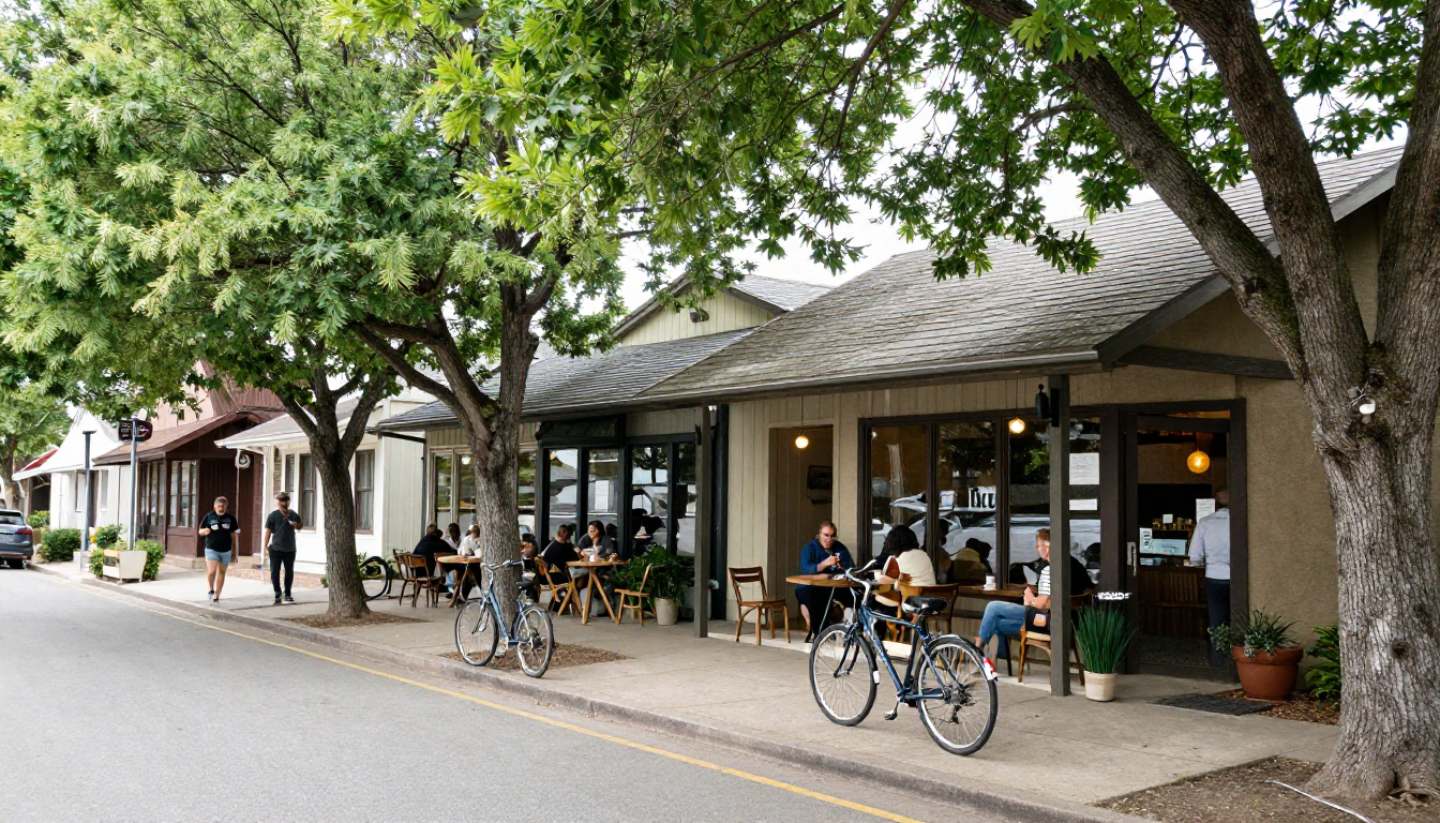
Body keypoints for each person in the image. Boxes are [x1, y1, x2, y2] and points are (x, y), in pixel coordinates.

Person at [974, 528, 1086, 658]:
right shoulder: (1073, 564)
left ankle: (976, 650)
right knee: (997, 623)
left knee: (993, 607)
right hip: (1066, 625)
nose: (1037, 548)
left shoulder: (1049, 569)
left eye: (1039, 545)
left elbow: (1041, 604)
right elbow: (1086, 588)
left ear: (1047, 546)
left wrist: (1030, 598)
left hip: (1045, 622)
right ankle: (1000, 658)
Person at [1189, 489, 1231, 667]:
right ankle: (1239, 659)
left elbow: (1195, 556)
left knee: (1217, 620)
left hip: (1213, 576)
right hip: (1237, 576)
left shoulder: (1205, 523)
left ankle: (1219, 661)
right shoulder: (1240, 522)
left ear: (1216, 502)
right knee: (1239, 617)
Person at [796, 521, 855, 636]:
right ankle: (819, 634)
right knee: (813, 598)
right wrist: (824, 564)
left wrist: (842, 566)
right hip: (810, 586)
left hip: (834, 586)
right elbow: (806, 569)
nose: (829, 539)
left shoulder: (840, 547)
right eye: (826, 535)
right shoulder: (809, 548)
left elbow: (851, 567)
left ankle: (849, 631)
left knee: (855, 596)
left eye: (832, 536)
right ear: (819, 534)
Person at [871, 524, 935, 614]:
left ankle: (890, 626)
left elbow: (884, 580)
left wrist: (876, 573)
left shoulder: (898, 559)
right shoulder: (924, 555)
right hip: (931, 600)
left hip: (912, 602)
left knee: (876, 597)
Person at [262, 492, 302, 606]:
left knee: (289, 572)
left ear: (288, 501)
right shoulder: (273, 515)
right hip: (275, 549)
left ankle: (288, 593)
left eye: (285, 500)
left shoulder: (293, 514)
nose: (284, 503)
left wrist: (296, 525)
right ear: (278, 502)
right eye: (281, 500)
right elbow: (268, 531)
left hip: (290, 548)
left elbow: (300, 525)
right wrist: (265, 546)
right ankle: (277, 593)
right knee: (275, 572)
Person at [198, 496, 240, 603]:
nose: (221, 508)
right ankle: (211, 589)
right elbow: (200, 531)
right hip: (211, 548)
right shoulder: (209, 516)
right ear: (214, 506)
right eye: (219, 506)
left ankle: (217, 594)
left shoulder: (231, 518)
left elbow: (234, 536)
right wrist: (205, 531)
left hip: (226, 550)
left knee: (222, 572)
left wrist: (235, 553)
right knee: (211, 571)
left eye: (223, 506)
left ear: (226, 506)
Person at [411, 524, 452, 593]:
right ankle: (445, 585)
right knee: (442, 562)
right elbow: (450, 550)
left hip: (416, 572)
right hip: (428, 574)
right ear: (435, 534)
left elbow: (414, 554)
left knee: (437, 559)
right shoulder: (437, 542)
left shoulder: (422, 541)